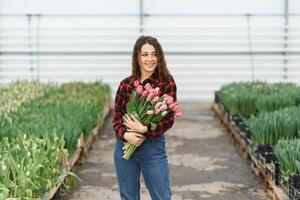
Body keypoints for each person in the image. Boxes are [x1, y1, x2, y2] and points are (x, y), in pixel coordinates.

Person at [112, 35, 177, 200]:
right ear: (137, 57)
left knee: (162, 196)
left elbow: (168, 119)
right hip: (125, 147)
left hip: (152, 148)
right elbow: (117, 118)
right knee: (128, 197)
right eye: (145, 54)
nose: (150, 59)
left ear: (159, 57)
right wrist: (127, 135)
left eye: (154, 54)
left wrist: (145, 129)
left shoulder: (166, 83)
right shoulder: (126, 84)